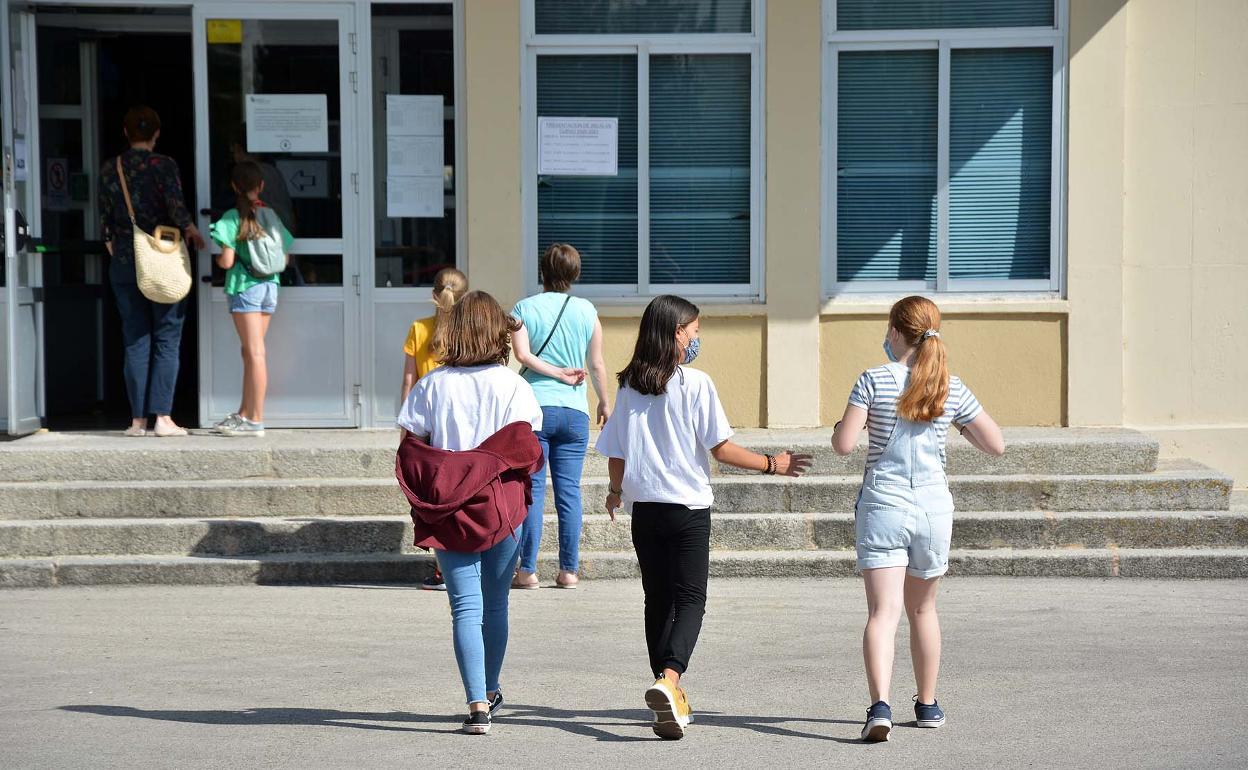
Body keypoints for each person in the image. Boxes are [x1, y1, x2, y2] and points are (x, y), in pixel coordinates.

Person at [595, 295, 811, 740]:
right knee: (691, 599)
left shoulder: (628, 386)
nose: (696, 339)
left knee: (657, 600)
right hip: (687, 509)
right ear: (676, 334)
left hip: (644, 508)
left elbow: (616, 454)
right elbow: (721, 448)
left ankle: (667, 691)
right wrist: (773, 464)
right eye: (693, 331)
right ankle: (670, 681)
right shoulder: (696, 383)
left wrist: (616, 493)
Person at [830, 295, 1005, 743]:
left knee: (882, 613)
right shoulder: (949, 385)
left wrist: (842, 425)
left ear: (894, 332)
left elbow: (845, 444)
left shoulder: (873, 379)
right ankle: (927, 705)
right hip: (932, 508)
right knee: (924, 609)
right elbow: (995, 444)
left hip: (884, 505)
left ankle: (880, 708)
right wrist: (958, 425)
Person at [396, 291, 543, 735]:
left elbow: (409, 448)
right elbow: (526, 445)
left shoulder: (431, 385)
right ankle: (493, 688)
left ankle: (477, 704)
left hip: (448, 508)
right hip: (501, 506)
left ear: (453, 331)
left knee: (464, 606)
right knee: (496, 604)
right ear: (499, 332)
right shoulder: (514, 386)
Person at [99, 105, 206, 437]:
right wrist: (191, 229)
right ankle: (163, 418)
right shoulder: (164, 165)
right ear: (157, 133)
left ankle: (136, 421)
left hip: (124, 260)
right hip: (161, 259)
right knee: (167, 337)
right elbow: (175, 205)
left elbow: (104, 218)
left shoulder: (110, 168)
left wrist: (111, 242)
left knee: (135, 339)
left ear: (126, 132)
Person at [511, 243, 610, 590]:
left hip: (534, 409)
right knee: (569, 491)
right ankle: (569, 571)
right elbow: (596, 363)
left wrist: (552, 372)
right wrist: (604, 402)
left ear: (543, 271)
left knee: (533, 490)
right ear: (575, 274)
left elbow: (522, 355)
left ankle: (527, 571)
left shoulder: (524, 308)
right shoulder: (587, 311)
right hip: (574, 411)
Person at [208, 162, 293, 437]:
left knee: (255, 354)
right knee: (250, 353)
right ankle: (244, 413)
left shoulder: (233, 217)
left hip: (246, 288)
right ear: (261, 186)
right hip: (270, 287)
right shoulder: (271, 215)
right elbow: (285, 256)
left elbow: (227, 260)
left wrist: (221, 259)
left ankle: (256, 419)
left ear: (234, 186)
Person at [399, 266, 469, 590]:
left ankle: (442, 569)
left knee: (432, 501)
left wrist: (405, 431)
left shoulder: (418, 328)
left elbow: (409, 382)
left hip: (427, 428)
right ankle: (464, 563)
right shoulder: (468, 334)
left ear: (433, 295)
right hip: (457, 424)